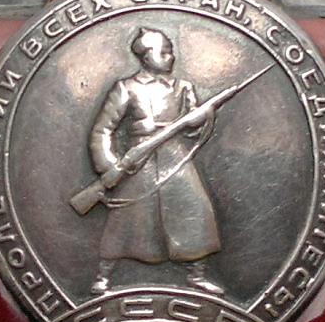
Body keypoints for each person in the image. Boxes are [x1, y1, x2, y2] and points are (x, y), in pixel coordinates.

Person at [86, 27, 223, 295]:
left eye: (170, 51)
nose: (171, 57)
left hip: (176, 157)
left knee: (194, 208)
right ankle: (104, 275)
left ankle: (197, 274)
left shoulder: (183, 87)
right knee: (125, 218)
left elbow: (194, 125)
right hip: (140, 159)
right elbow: (103, 129)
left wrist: (201, 118)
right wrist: (110, 166)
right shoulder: (126, 88)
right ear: (147, 56)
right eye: (165, 52)